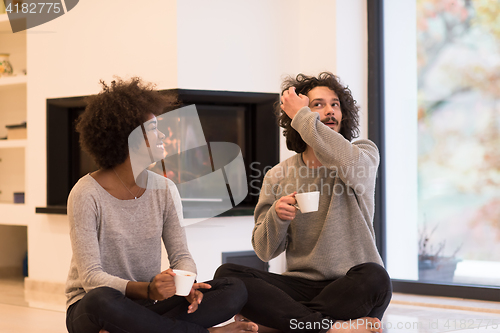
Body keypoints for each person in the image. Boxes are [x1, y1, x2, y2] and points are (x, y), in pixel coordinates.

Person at [65, 77, 258, 333]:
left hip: (146, 308)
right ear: (128, 136)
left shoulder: (164, 189)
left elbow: (181, 255)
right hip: (94, 309)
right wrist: (148, 288)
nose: (163, 134)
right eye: (154, 127)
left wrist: (185, 282)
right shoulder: (86, 193)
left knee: (232, 290)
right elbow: (91, 279)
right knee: (100, 299)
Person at [215, 72, 392, 333]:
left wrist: (303, 115)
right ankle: (332, 328)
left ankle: (278, 325)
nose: (330, 111)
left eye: (335, 104)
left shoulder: (363, 154)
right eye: (318, 104)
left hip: (352, 285)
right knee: (227, 275)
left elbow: (348, 162)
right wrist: (277, 216)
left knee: (376, 277)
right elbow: (265, 251)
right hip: (300, 286)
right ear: (296, 118)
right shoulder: (278, 175)